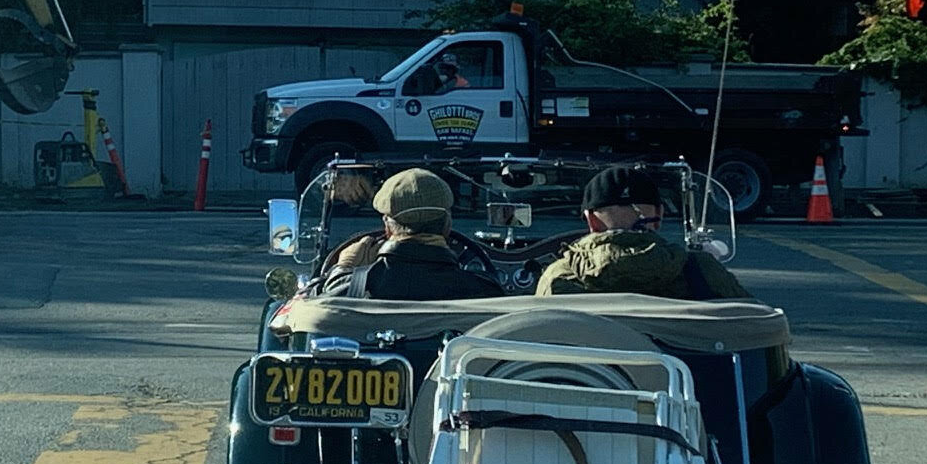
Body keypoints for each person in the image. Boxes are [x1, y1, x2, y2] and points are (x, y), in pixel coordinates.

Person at [535, 162, 749, 300]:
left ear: (592, 222)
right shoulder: (701, 271)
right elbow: (755, 326)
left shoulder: (558, 277)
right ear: (659, 216)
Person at [315, 168, 504, 300]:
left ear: (388, 228)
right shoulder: (484, 292)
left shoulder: (348, 290)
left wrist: (344, 268)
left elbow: (314, 308)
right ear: (447, 225)